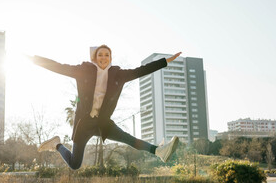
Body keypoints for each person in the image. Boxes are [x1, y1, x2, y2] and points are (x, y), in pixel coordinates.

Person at [29, 45, 181, 170]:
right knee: (75, 164)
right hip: (84, 122)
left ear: (110, 58)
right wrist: (35, 60)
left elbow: (141, 71)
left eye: (107, 55)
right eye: (100, 55)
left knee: (129, 139)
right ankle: (57, 144)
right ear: (95, 57)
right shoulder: (84, 70)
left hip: (103, 122)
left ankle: (159, 151)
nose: (103, 58)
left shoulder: (118, 74)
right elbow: (59, 67)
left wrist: (165, 61)